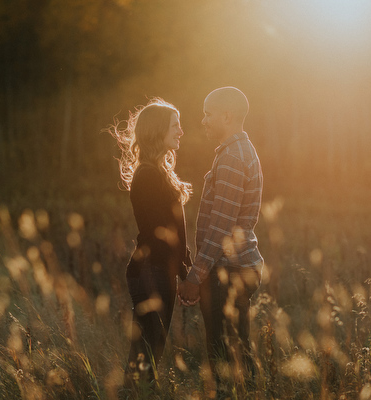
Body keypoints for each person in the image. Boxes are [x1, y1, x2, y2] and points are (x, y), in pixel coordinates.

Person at [177, 87, 263, 396]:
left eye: (208, 114)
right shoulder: (242, 151)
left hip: (228, 271)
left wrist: (194, 276)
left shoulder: (231, 158)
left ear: (226, 116)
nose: (202, 120)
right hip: (240, 266)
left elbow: (220, 229)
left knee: (222, 353)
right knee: (236, 347)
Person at [110, 98, 192, 387]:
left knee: (149, 353)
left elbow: (176, 232)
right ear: (158, 130)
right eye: (175, 125)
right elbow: (159, 236)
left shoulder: (159, 172)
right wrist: (183, 273)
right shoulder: (148, 175)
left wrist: (186, 271)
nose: (181, 131)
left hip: (160, 271)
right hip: (151, 272)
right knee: (145, 355)